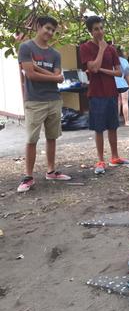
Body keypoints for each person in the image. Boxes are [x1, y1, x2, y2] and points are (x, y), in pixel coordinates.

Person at [17, 16, 71, 193]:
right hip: (34, 100)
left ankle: (51, 171)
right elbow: (30, 75)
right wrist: (54, 77)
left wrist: (39, 69)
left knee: (52, 137)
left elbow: (55, 75)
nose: (49, 32)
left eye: (52, 30)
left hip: (54, 99)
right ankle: (28, 177)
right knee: (31, 139)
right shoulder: (26, 47)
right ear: (38, 27)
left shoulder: (55, 54)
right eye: (47, 28)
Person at [79, 16, 129, 175]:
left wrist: (102, 70)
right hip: (96, 93)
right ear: (90, 31)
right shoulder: (85, 48)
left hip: (111, 92)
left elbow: (119, 71)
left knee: (113, 126)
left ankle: (115, 157)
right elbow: (92, 67)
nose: (100, 31)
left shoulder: (112, 49)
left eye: (101, 28)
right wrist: (101, 50)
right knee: (99, 128)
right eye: (96, 29)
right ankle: (100, 160)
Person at [114, 46, 129, 126]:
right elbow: (128, 71)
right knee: (125, 102)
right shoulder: (124, 60)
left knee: (117, 103)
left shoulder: (110, 60)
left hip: (114, 84)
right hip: (124, 83)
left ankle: (116, 121)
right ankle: (126, 121)